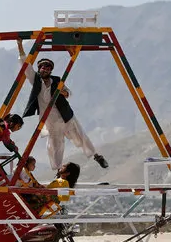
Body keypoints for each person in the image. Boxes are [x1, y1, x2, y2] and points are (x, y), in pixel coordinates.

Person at [16, 39, 109, 171]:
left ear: (50, 70)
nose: (45, 69)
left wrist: (63, 92)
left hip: (66, 115)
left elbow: (68, 93)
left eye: (48, 68)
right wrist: (19, 45)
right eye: (42, 67)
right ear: (39, 69)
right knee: (55, 146)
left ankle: (96, 156)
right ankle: (59, 170)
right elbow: (25, 65)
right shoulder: (35, 80)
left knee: (81, 136)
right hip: (50, 120)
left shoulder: (57, 81)